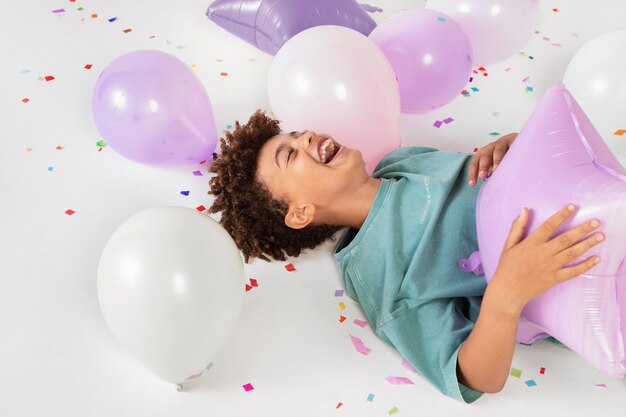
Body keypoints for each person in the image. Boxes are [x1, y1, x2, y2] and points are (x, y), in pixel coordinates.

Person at [208, 110, 604, 403]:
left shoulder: (405, 163)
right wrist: (506, 297)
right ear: (300, 213)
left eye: (296, 133)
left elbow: (498, 185)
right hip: (591, 274)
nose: (307, 136)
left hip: (589, 199)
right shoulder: (381, 275)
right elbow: (473, 375)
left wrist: (515, 148)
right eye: (290, 154)